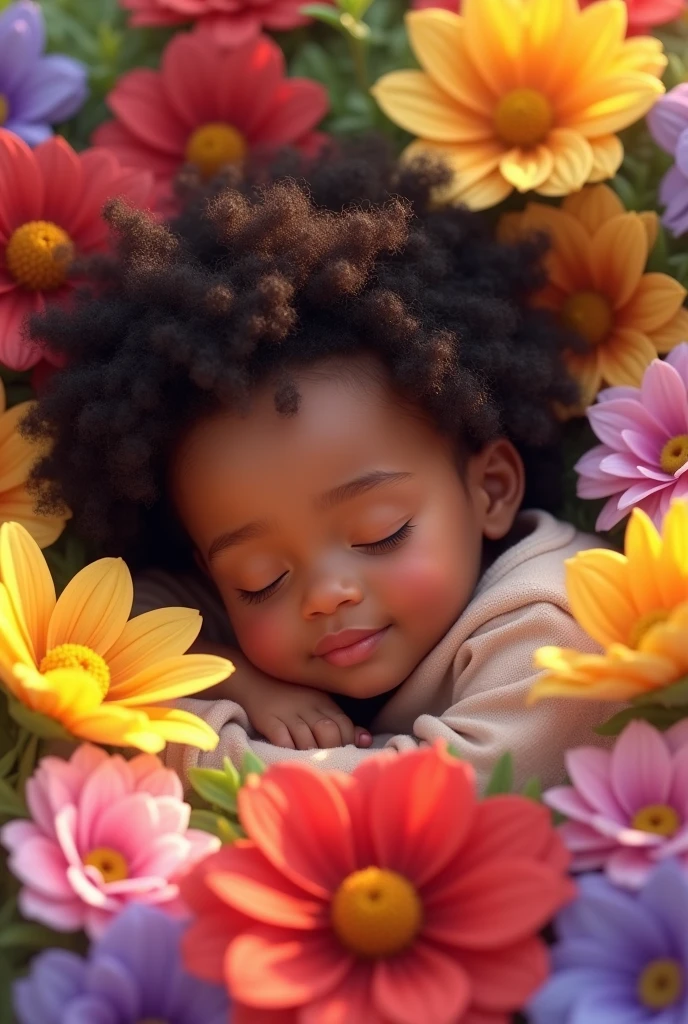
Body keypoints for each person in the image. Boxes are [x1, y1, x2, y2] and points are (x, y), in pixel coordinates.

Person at [25, 139, 612, 790]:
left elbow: (415, 799)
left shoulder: (558, 625)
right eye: (260, 580)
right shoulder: (248, 607)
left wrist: (192, 740)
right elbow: (119, 631)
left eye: (379, 532)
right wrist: (238, 677)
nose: (327, 593)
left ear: (491, 488)